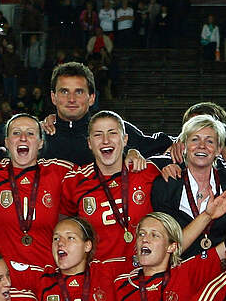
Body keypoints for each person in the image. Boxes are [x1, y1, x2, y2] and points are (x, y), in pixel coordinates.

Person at [0, 113, 72, 288]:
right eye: (16, 133)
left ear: (40, 143)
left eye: (30, 133)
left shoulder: (59, 172)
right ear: (7, 142)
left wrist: (131, 152)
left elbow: (100, 171)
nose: (23, 138)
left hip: (49, 280)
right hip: (3, 282)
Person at [60, 111, 161, 263]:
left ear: (125, 139)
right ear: (89, 143)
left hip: (143, 271)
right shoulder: (75, 181)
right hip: (98, 272)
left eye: (112, 133)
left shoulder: (147, 171)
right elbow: (63, 228)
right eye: (98, 135)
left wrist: (171, 167)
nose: (105, 140)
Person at [40, 61, 171, 166]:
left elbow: (166, 146)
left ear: (92, 98)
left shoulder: (116, 131)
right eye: (64, 92)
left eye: (79, 92)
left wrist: (166, 164)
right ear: (53, 97)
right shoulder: (38, 137)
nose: (71, 99)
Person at [150, 114, 226, 256]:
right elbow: (165, 243)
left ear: (219, 149)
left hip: (222, 265)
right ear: (184, 146)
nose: (202, 146)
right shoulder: (166, 185)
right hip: (180, 265)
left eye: (210, 141)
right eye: (195, 140)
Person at [34, 216, 127, 301]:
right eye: (56, 238)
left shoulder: (107, 274)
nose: (60, 243)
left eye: (70, 237)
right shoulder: (44, 280)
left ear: (87, 246)